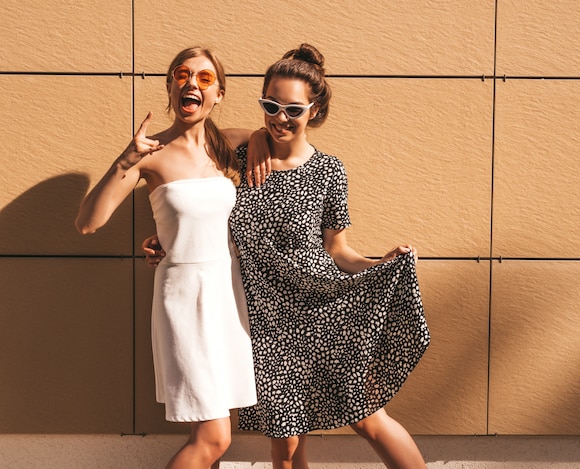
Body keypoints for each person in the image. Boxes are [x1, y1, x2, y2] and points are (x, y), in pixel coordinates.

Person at [145, 44, 430, 469]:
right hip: (263, 321)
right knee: (285, 442)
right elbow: (196, 195)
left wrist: (382, 264)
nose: (280, 118)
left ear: (313, 111)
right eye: (270, 106)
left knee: (369, 418)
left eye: (293, 110)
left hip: (322, 310)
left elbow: (338, 250)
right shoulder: (234, 159)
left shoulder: (329, 170)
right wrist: (162, 237)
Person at [75, 46, 265, 469]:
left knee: (207, 434)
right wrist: (125, 159)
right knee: (215, 439)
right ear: (170, 86)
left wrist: (261, 144)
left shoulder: (233, 143)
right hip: (184, 298)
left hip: (226, 297)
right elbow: (88, 222)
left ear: (218, 94)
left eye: (204, 77)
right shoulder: (150, 153)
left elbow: (275, 143)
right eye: (181, 74)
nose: (191, 83)